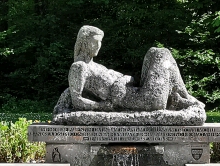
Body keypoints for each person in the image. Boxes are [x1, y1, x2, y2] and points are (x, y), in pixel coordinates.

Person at [63, 25, 201, 113]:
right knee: (161, 54)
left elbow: (128, 81)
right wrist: (102, 107)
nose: (99, 45)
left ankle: (184, 98)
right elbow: (77, 101)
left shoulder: (96, 66)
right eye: (96, 41)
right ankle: (186, 98)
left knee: (153, 52)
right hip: (144, 101)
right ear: (85, 42)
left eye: (101, 41)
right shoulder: (79, 67)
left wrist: (123, 80)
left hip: (139, 92)